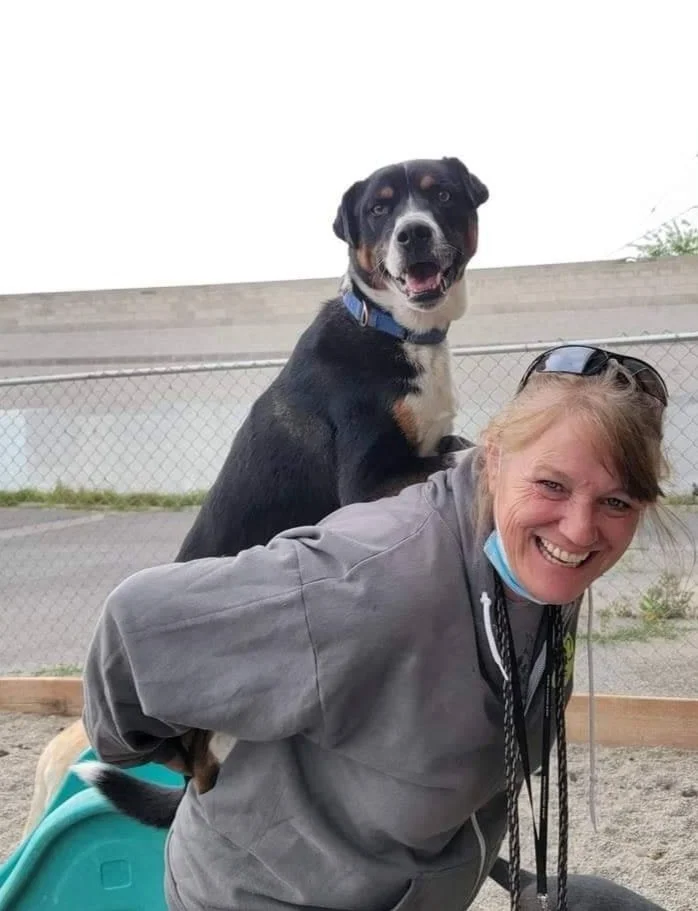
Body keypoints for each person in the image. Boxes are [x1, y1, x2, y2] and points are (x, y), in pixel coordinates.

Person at [81, 344, 669, 911]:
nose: (579, 530)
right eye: (552, 485)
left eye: (617, 502)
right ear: (494, 457)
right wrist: (183, 753)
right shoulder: (370, 578)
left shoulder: (532, 566)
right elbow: (136, 630)